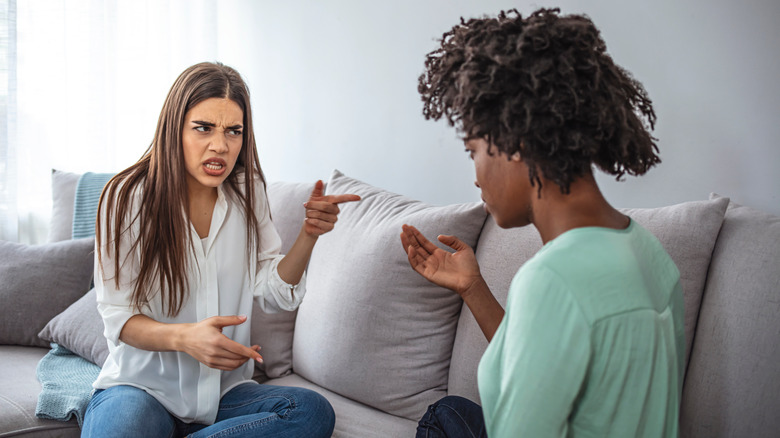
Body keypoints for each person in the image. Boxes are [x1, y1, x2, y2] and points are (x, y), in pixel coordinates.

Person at [401, 8, 684, 438]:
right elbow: (552, 367)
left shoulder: (551, 280)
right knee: (449, 413)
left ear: (513, 141)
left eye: (473, 151)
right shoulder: (648, 252)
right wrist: (473, 288)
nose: (475, 175)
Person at [82, 62, 359, 437]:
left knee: (310, 411)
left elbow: (275, 293)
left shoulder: (248, 190)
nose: (220, 145)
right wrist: (186, 338)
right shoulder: (125, 197)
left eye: (233, 131)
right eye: (203, 128)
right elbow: (118, 317)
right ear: (174, 129)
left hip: (224, 396)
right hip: (140, 389)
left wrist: (309, 234)